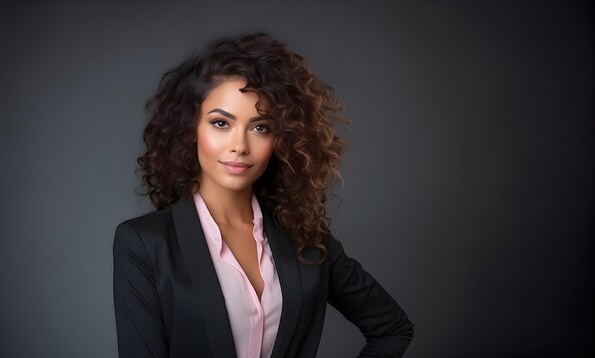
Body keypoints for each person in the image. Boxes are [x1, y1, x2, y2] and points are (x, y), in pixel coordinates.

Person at [113, 33, 414, 358]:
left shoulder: (306, 241)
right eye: (220, 123)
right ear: (190, 129)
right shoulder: (144, 244)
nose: (240, 145)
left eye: (260, 128)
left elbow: (392, 328)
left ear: (281, 138)